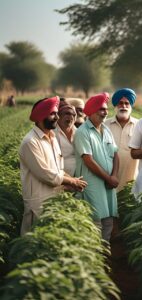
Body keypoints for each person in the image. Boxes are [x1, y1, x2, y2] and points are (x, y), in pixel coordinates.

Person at [19, 96, 88, 235]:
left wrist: (70, 184)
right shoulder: (30, 142)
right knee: (35, 241)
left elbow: (59, 169)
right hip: (38, 201)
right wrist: (72, 180)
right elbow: (47, 174)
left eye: (57, 113)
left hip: (54, 197)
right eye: (52, 114)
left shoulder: (52, 137)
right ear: (40, 117)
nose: (57, 117)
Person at [74, 93, 119, 242]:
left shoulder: (106, 130)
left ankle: (105, 253)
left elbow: (115, 154)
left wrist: (115, 176)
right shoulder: (82, 132)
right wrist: (109, 178)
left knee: (108, 220)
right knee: (96, 220)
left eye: (106, 109)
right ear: (91, 111)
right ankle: (94, 256)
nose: (105, 112)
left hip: (108, 183)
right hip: (92, 182)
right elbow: (88, 160)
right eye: (101, 109)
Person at [105, 88, 139, 192]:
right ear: (115, 106)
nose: (123, 106)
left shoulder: (140, 125)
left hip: (132, 177)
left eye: (127, 103)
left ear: (131, 106)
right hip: (108, 177)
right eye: (120, 103)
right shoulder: (105, 125)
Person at [55, 100, 77, 176]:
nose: (71, 117)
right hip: (61, 178)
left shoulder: (78, 132)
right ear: (58, 116)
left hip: (80, 177)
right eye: (67, 113)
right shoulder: (52, 134)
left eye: (73, 114)